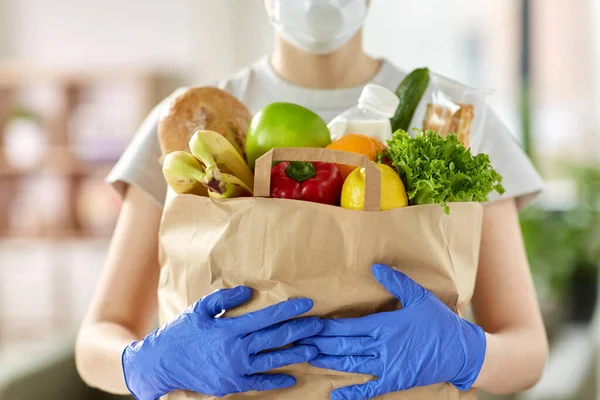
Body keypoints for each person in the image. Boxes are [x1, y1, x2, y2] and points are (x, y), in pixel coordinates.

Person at [75, 0, 549, 399]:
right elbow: (95, 342)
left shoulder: (455, 118)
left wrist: (465, 353)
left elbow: (527, 352)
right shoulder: (189, 127)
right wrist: (149, 365)